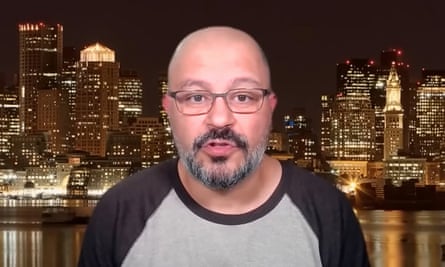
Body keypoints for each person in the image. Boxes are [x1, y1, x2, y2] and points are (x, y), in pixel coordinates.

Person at [77, 26, 370, 267]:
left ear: (269, 109)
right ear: (168, 110)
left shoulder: (327, 212)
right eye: (195, 97)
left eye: (242, 97)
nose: (219, 119)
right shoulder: (119, 212)